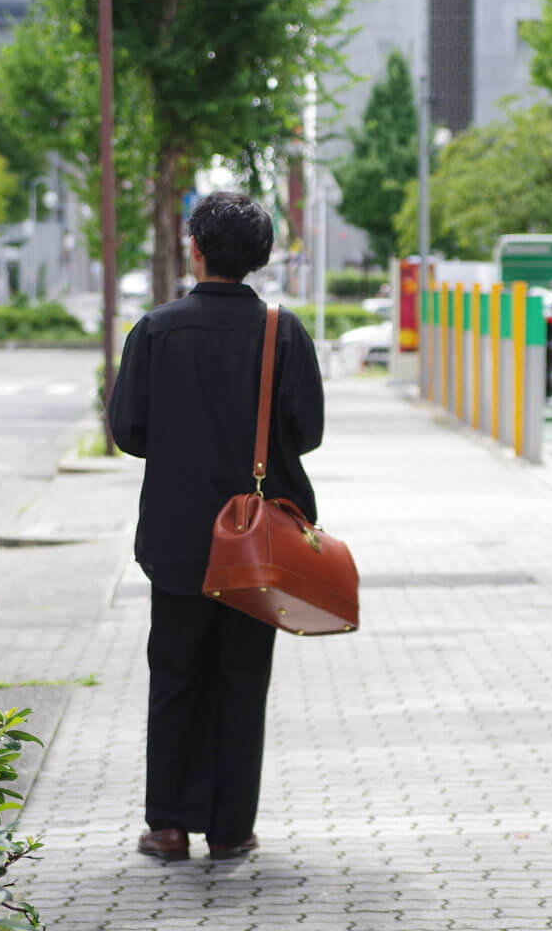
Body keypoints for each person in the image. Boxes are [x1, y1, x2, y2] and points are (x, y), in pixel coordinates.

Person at [107, 191, 325, 863]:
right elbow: (307, 433)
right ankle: (231, 830)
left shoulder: (155, 329)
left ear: (195, 249)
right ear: (258, 257)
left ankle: (168, 826)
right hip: (257, 547)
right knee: (241, 679)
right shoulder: (282, 333)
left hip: (176, 541)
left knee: (174, 677)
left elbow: (128, 431)